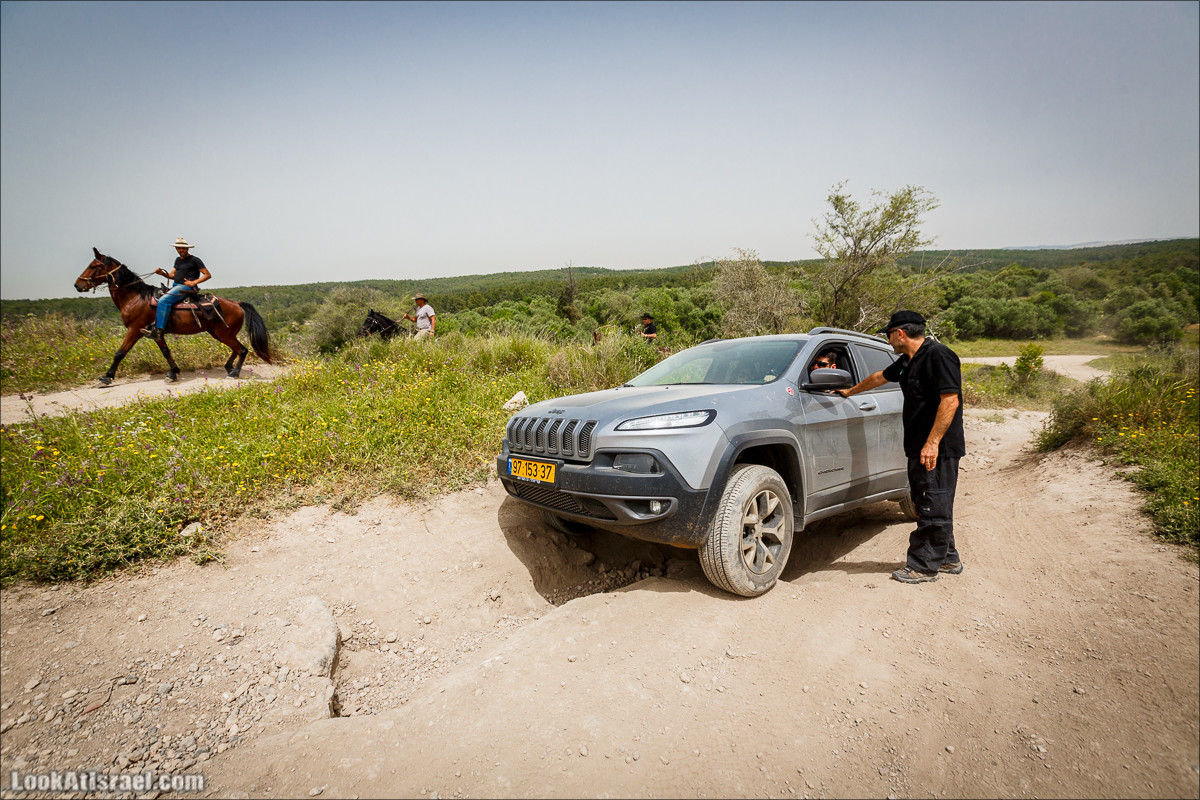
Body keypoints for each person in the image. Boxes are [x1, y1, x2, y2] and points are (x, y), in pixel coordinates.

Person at [835, 310, 965, 584]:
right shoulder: (908, 360)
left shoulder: (938, 355)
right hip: (919, 446)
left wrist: (932, 443)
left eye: (889, 335)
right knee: (930, 501)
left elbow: (950, 400)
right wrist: (849, 392)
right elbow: (880, 377)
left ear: (900, 333)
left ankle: (924, 566)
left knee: (931, 504)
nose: (889, 341)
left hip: (937, 449)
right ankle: (947, 558)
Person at [143, 237, 211, 337]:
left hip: (186, 287)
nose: (181, 250)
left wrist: (193, 283)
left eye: (183, 248)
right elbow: (172, 275)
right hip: (176, 286)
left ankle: (158, 330)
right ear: (176, 249)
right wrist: (162, 273)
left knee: (163, 300)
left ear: (187, 249)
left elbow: (207, 274)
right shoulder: (178, 260)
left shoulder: (195, 260)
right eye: (178, 248)